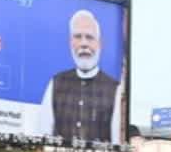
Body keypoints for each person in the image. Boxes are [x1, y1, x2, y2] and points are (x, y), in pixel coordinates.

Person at [37, 10, 123, 143]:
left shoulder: (115, 89)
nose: (84, 44)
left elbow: (118, 141)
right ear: (71, 42)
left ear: (99, 44)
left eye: (89, 37)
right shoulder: (56, 83)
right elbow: (43, 135)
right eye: (78, 36)